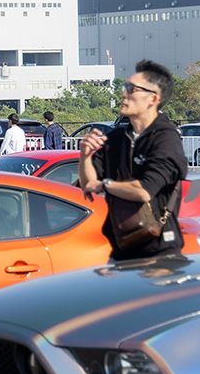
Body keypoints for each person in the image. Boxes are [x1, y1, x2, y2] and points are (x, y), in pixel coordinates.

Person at [77, 60, 189, 262]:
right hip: (121, 250)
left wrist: (105, 184)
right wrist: (85, 155)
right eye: (124, 87)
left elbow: (144, 191)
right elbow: (87, 184)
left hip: (160, 255)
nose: (124, 94)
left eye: (131, 89)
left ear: (153, 98)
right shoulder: (117, 138)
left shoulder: (166, 138)